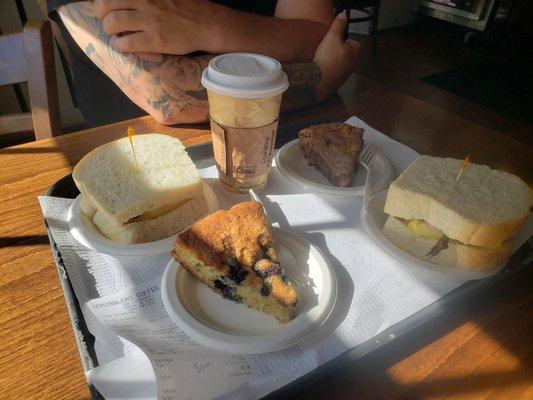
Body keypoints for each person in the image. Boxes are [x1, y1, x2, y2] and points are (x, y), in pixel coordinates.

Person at [47, 0, 360, 127]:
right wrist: (319, 79)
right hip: (147, 169)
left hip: (293, 135)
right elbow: (172, 96)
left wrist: (208, 25)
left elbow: (318, 38)